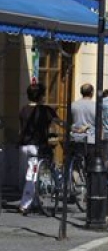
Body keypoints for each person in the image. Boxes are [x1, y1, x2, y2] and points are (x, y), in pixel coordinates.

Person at [18, 82, 62, 214]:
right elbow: (59, 122)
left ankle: (34, 201)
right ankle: (24, 204)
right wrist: (73, 128)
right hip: (36, 146)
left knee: (29, 172)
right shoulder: (45, 110)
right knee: (32, 175)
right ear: (41, 96)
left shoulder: (23, 109)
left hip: (24, 145)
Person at [70, 83, 96, 160]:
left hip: (76, 137)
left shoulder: (73, 105)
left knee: (78, 160)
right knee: (90, 163)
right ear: (92, 92)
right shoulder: (95, 106)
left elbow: (70, 121)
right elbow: (99, 123)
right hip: (91, 139)